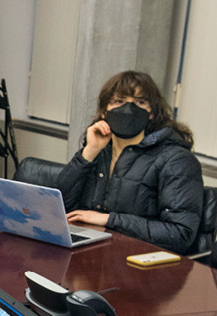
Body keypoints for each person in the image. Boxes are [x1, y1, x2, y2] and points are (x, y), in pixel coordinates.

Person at [57, 70, 204, 255]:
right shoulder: (99, 150)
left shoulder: (176, 160)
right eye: (119, 101)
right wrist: (88, 154)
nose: (129, 108)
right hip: (92, 252)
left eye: (140, 102)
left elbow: (179, 234)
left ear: (151, 113)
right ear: (104, 111)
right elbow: (58, 208)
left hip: (140, 264)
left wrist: (109, 219)